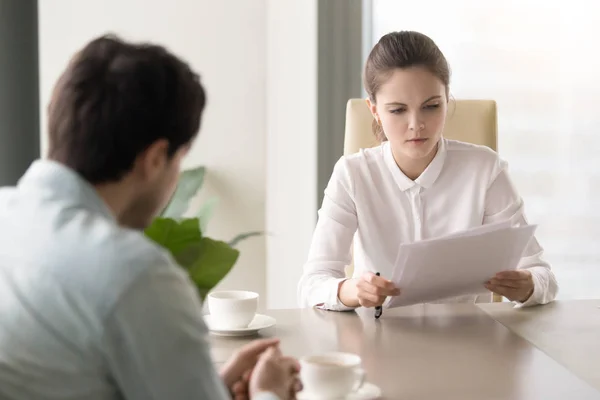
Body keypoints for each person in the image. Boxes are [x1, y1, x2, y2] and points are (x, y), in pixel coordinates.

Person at [0, 35, 299, 400]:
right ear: (156, 158)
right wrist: (269, 393)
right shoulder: (134, 274)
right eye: (179, 159)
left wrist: (210, 388)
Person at [298, 31, 558, 311]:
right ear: (374, 111)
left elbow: (544, 277)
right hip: (378, 340)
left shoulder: (485, 169)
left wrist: (527, 286)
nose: (416, 124)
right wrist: (352, 290)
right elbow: (312, 284)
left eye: (431, 107)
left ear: (447, 100)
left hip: (469, 341)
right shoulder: (352, 174)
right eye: (398, 110)